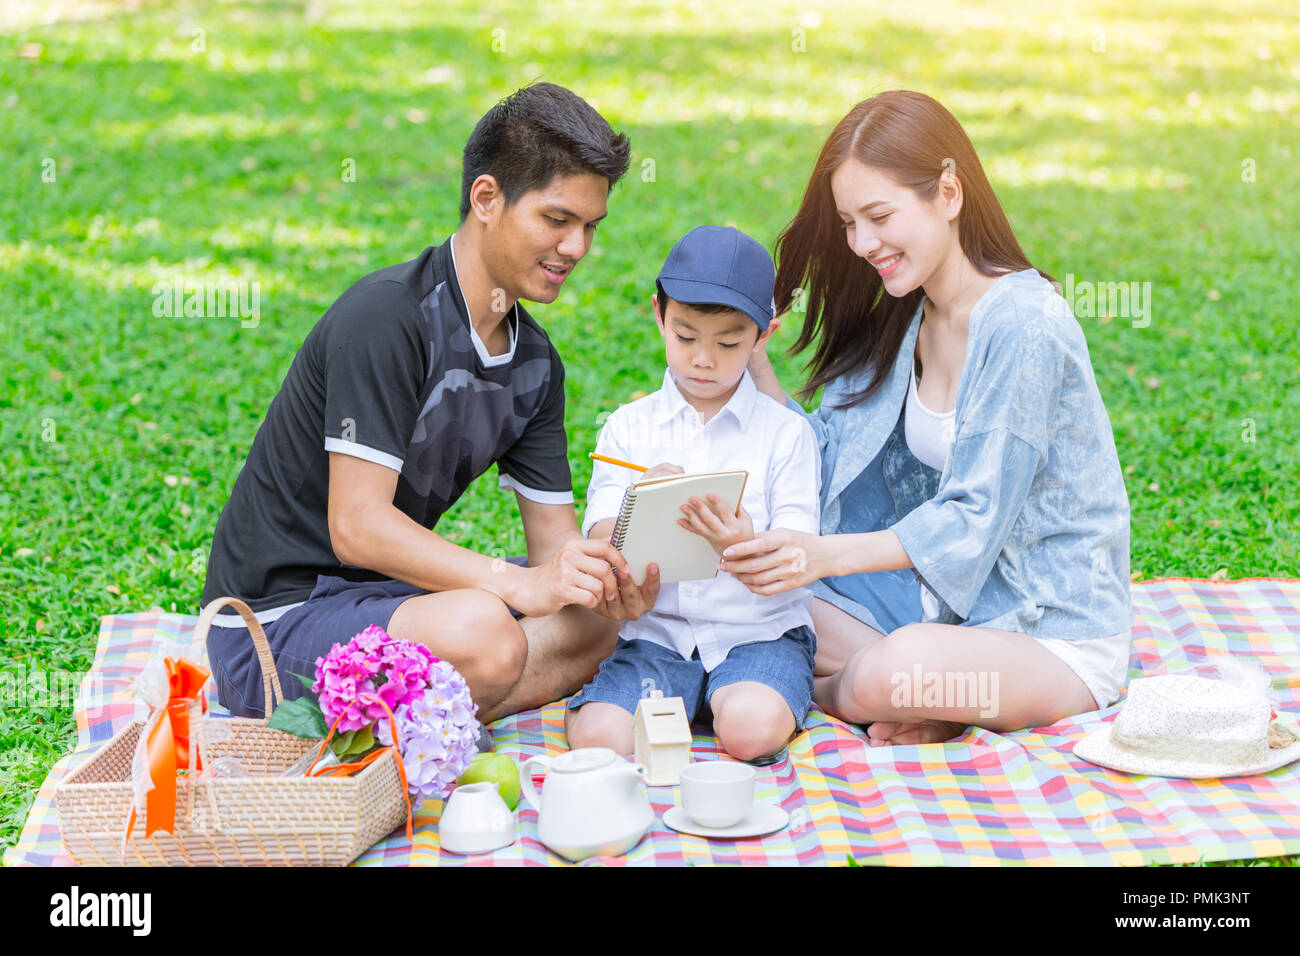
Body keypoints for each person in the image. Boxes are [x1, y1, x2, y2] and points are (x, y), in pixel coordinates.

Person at [200, 82, 661, 724]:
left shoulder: (534, 365)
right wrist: (515, 586)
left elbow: (551, 547)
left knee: (592, 627)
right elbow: (356, 526)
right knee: (484, 631)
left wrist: (598, 574)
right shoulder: (386, 317)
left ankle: (421, 708)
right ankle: (441, 700)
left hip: (389, 605)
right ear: (487, 198)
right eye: (557, 220)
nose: (577, 248)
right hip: (273, 627)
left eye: (589, 226)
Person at [714, 90, 1133, 746]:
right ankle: (893, 697)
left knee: (899, 671)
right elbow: (826, 449)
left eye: (879, 216)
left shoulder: (1025, 325)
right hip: (940, 613)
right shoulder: (901, 308)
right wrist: (754, 361)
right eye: (850, 223)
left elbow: (972, 518)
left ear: (947, 192)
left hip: (1047, 631)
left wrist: (818, 557)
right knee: (726, 592)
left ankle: (816, 690)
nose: (861, 243)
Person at [564, 225, 821, 762]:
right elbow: (600, 535)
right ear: (659, 314)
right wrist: (640, 506)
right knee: (599, 739)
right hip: (659, 638)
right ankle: (686, 700)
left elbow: (801, 548)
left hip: (759, 634)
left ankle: (740, 698)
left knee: (750, 730)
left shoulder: (785, 433)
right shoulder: (628, 429)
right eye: (685, 337)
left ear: (763, 335)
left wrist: (747, 542)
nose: (704, 359)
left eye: (728, 344)